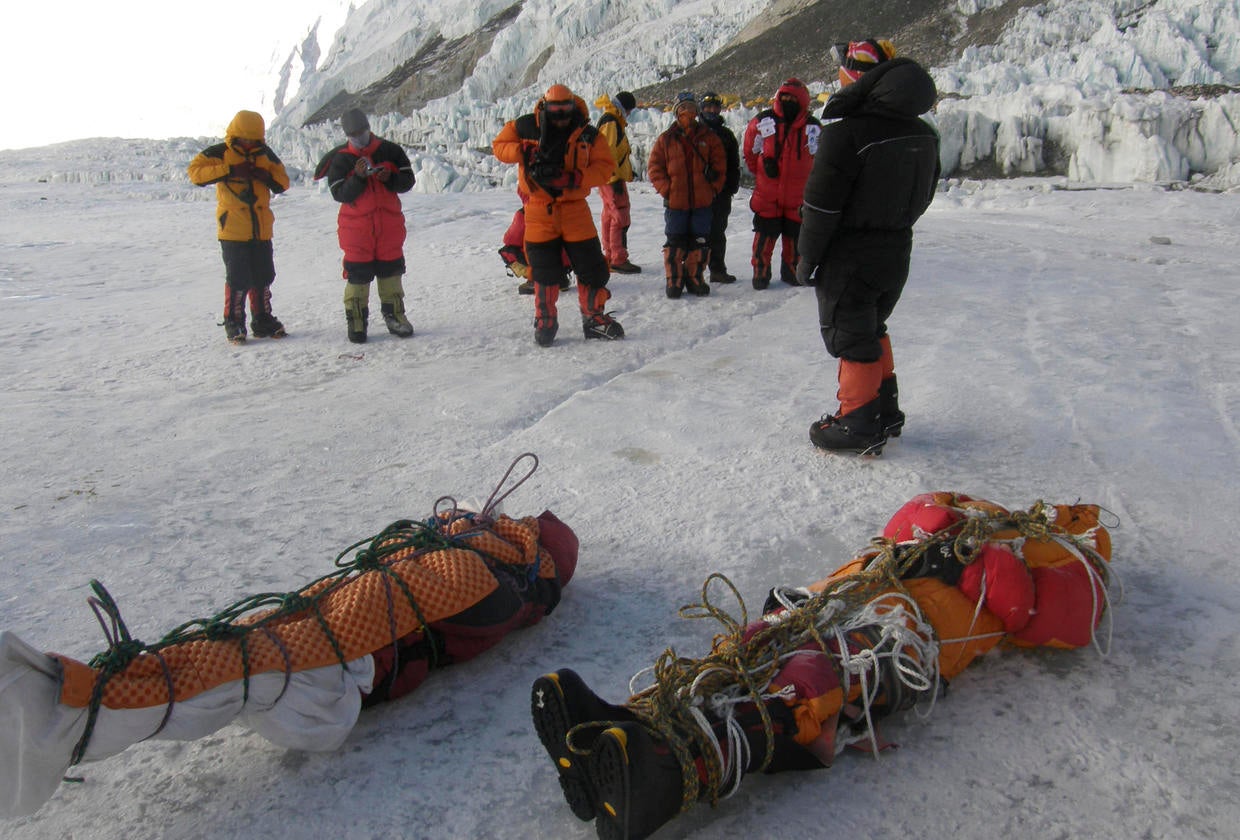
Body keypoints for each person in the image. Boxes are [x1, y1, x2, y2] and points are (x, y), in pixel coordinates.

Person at [530, 492, 1114, 840]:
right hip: (843, 595)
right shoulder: (980, 514)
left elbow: (1039, 611)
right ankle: (625, 723)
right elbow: (907, 520)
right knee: (748, 649)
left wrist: (980, 561)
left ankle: (664, 773)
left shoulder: (1065, 557)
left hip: (905, 638)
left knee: (809, 685)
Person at [795, 40, 940, 454]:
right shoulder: (923, 133)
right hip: (897, 249)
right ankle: (885, 411)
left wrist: (808, 257)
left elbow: (820, 206)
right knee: (872, 326)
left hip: (851, 252)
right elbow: (926, 193)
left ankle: (858, 422)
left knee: (852, 332)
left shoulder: (847, 134)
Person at [492, 84, 625, 347]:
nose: (561, 114)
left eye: (565, 108)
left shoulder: (587, 134)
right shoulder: (526, 127)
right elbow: (499, 146)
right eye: (556, 109)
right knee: (543, 270)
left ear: (573, 106)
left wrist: (574, 178)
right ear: (546, 106)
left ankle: (593, 319)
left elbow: (605, 167)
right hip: (539, 209)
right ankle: (545, 321)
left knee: (592, 267)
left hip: (575, 208)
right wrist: (523, 151)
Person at [188, 110, 290, 345]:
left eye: (253, 139)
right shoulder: (220, 153)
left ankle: (262, 319)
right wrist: (229, 170)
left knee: (263, 275)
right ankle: (233, 321)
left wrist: (264, 175)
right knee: (238, 278)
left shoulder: (265, 154)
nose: (249, 143)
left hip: (261, 229)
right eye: (246, 138)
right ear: (236, 135)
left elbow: (283, 181)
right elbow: (195, 172)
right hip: (233, 229)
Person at [315, 109, 416, 343]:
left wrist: (388, 178)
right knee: (357, 278)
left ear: (368, 127)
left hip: (388, 227)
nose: (358, 136)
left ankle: (395, 317)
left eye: (361, 131)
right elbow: (339, 193)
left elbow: (407, 180)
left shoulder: (390, 151)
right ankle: (357, 323)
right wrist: (359, 178)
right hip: (356, 231)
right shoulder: (341, 159)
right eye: (353, 133)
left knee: (391, 274)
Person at [742, 78, 821, 290]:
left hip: (798, 195)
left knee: (795, 238)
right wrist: (760, 171)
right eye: (784, 97)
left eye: (792, 98)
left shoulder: (813, 127)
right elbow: (750, 150)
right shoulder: (762, 121)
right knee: (764, 237)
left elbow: (820, 158)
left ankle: (792, 271)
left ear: (802, 100)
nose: (787, 101)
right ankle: (761, 272)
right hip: (768, 194)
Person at [646, 92, 726, 298]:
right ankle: (674, 280)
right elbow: (655, 167)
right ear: (676, 111)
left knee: (699, 241)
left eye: (691, 107)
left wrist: (712, 189)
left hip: (701, 202)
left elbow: (720, 166)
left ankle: (695, 278)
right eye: (683, 108)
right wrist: (667, 189)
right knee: (674, 241)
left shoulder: (709, 138)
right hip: (675, 202)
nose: (687, 112)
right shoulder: (666, 139)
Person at [594, 91, 642, 274]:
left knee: (609, 215)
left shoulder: (611, 120)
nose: (629, 114)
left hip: (607, 177)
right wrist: (614, 178)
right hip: (611, 179)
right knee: (619, 215)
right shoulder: (611, 123)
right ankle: (618, 258)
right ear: (623, 108)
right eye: (629, 110)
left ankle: (610, 255)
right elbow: (608, 153)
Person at [697, 92, 741, 284]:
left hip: (721, 193)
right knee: (698, 234)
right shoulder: (694, 132)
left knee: (717, 232)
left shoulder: (727, 135)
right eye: (708, 107)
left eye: (715, 106)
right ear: (701, 109)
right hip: (699, 192)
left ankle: (717, 270)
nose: (712, 110)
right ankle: (695, 273)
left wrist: (732, 186)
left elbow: (734, 163)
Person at [499, 191, 574, 295]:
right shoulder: (568, 208)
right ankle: (561, 279)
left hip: (542, 261)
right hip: (567, 262)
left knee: (507, 251)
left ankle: (535, 280)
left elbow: (509, 239)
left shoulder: (524, 213)